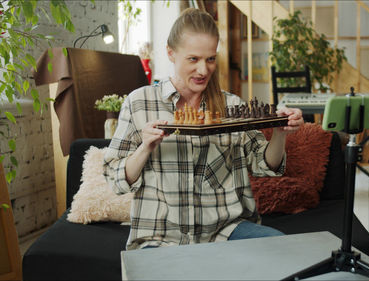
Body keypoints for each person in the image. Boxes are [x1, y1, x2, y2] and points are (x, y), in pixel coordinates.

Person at [103, 8, 304, 250]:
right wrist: (145, 148)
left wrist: (280, 131)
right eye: (193, 59)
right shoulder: (138, 103)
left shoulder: (231, 105)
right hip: (160, 236)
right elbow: (115, 180)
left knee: (289, 250)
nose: (203, 70)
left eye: (210, 59)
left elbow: (265, 166)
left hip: (226, 230)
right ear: (170, 53)